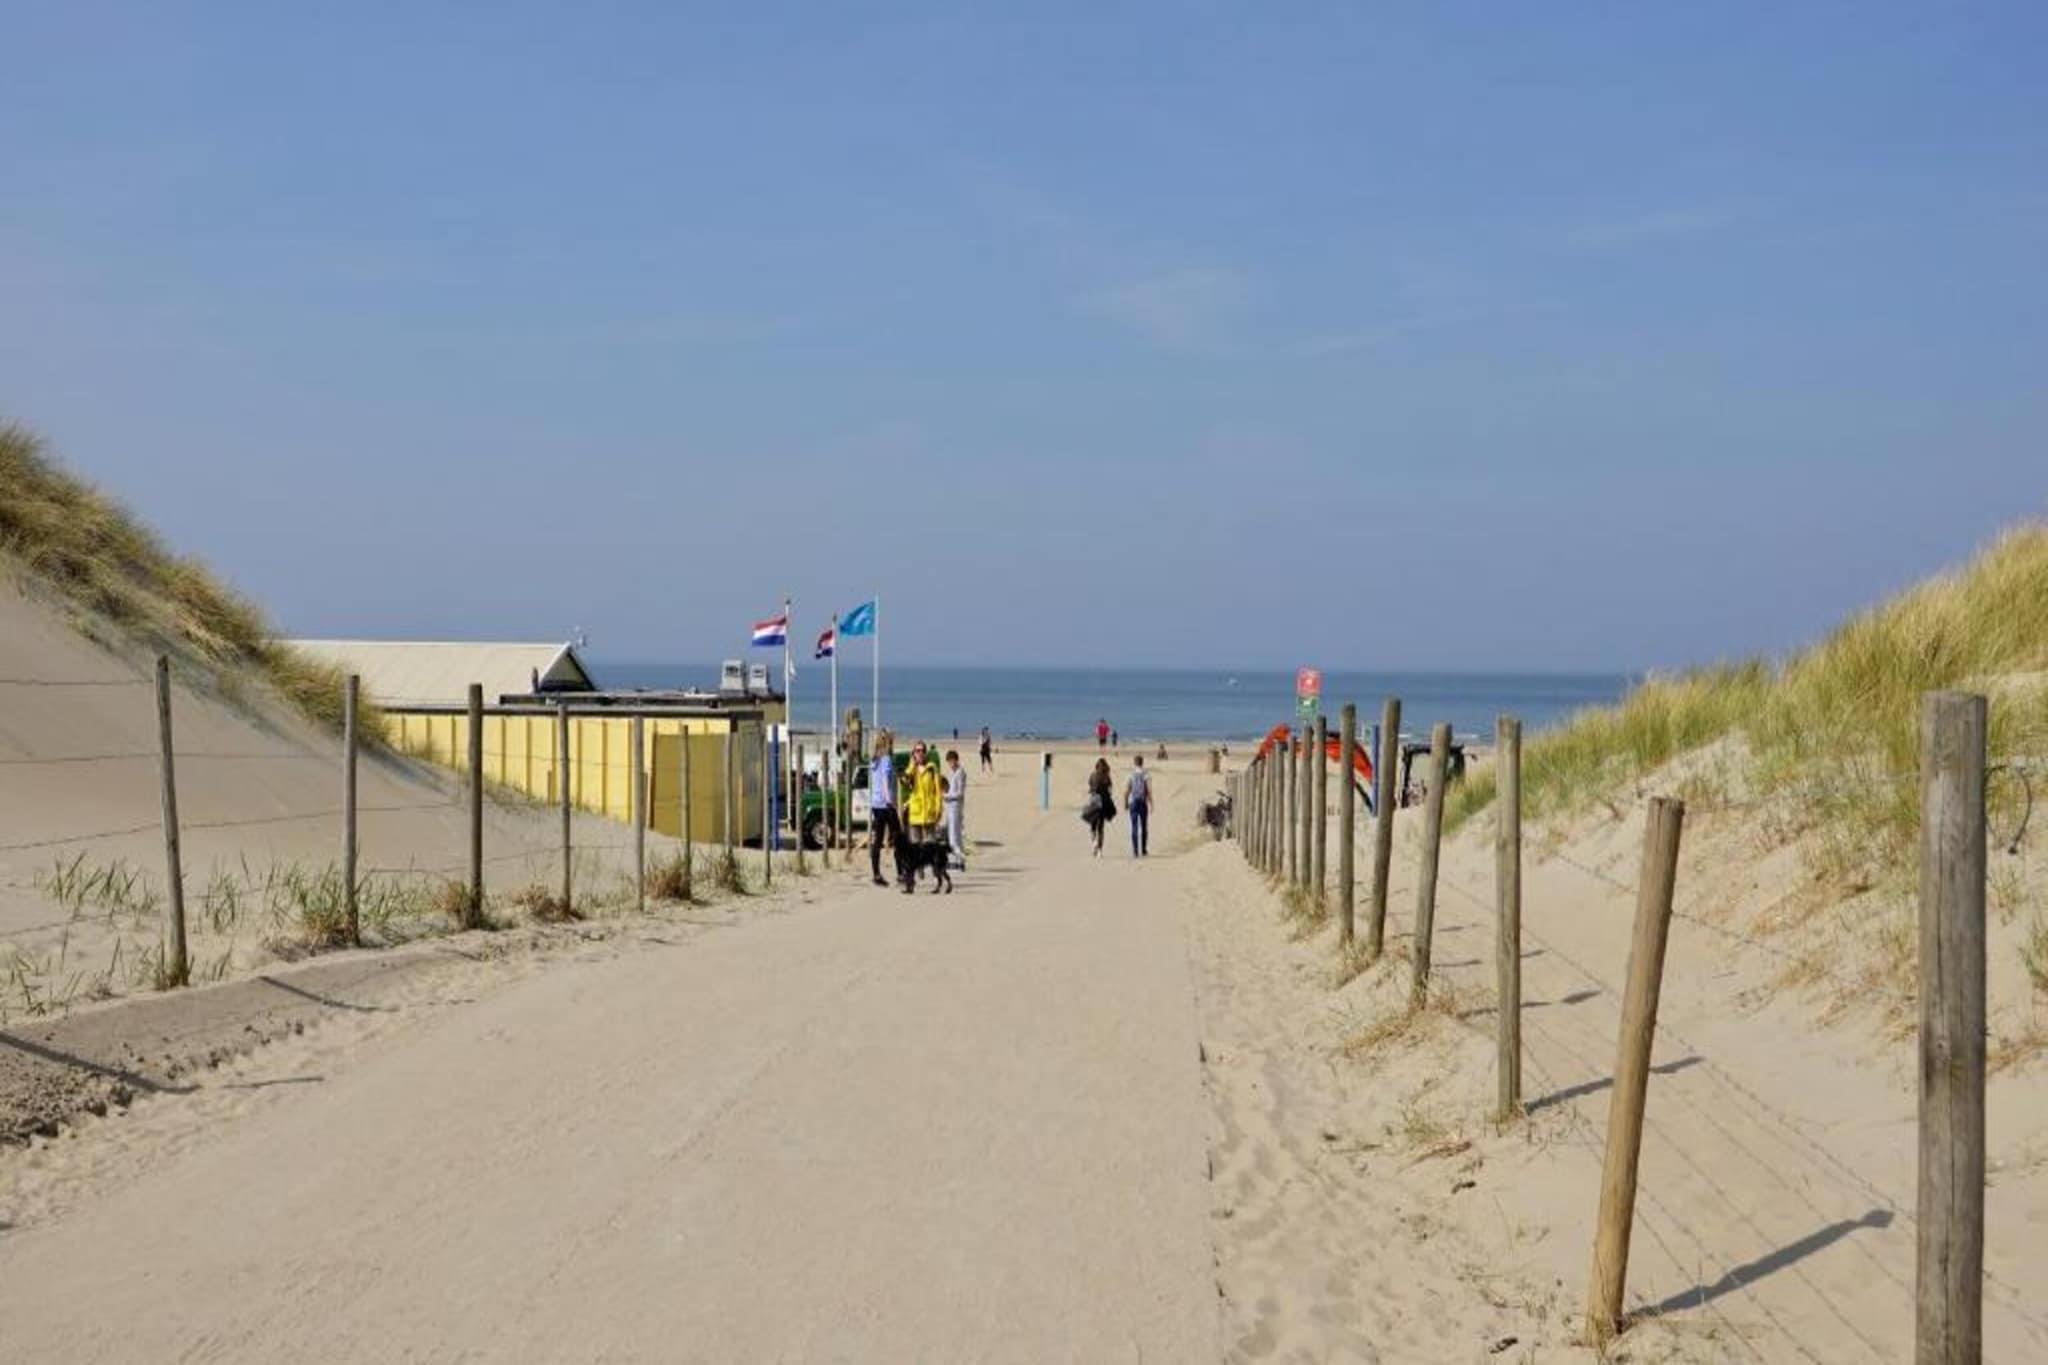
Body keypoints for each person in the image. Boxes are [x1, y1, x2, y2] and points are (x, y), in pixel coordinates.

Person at [902, 741, 944, 892]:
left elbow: (938, 790)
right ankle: (914, 877)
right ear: (913, 753)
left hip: (929, 813)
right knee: (914, 848)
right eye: (917, 751)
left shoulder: (932, 768)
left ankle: (936, 876)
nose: (919, 753)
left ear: (926, 752)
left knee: (931, 846)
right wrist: (912, 766)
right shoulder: (911, 769)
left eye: (922, 750)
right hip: (915, 813)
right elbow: (905, 783)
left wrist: (939, 808)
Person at [867, 735, 902, 888]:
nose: (893, 746)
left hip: (875, 804)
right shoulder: (886, 759)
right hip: (885, 804)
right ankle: (901, 873)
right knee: (898, 838)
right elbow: (885, 781)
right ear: (887, 744)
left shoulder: (874, 760)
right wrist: (890, 802)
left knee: (878, 840)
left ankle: (876, 874)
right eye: (891, 743)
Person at [1083, 756, 1115, 856]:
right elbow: (1110, 790)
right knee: (1101, 827)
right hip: (1104, 802)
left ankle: (1094, 843)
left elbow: (1090, 786)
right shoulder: (1107, 776)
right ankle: (1100, 850)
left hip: (1094, 801)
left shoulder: (1093, 775)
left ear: (1096, 766)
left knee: (1092, 825)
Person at [941, 749, 967, 869]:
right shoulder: (952, 772)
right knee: (956, 836)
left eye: (951, 761)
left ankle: (960, 859)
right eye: (949, 762)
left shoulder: (960, 773)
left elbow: (960, 793)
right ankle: (959, 861)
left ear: (956, 760)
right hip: (950, 806)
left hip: (955, 806)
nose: (950, 764)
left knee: (953, 838)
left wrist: (946, 796)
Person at [1126, 754, 1153, 858]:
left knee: (1134, 826)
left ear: (1134, 763)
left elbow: (1127, 790)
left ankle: (1135, 851)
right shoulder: (1146, 774)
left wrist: (1125, 802)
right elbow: (1149, 790)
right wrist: (1151, 803)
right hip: (1142, 802)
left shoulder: (1131, 774)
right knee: (1144, 826)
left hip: (1133, 802)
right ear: (1142, 762)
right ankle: (1144, 849)